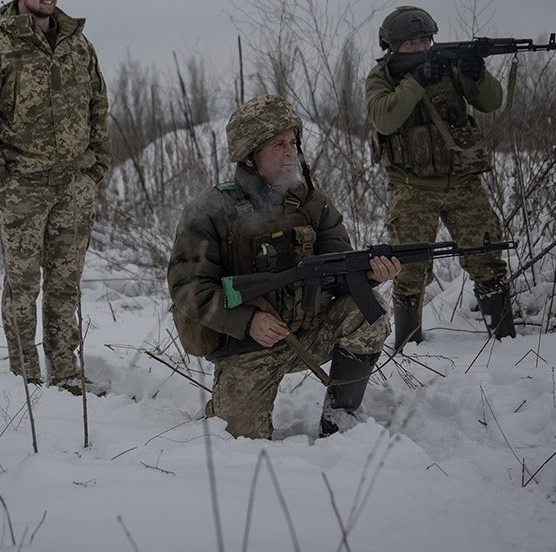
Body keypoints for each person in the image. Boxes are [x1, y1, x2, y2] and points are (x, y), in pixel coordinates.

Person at [167, 95, 398, 440]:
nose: (291, 151)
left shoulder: (313, 204)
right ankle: (225, 402)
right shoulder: (210, 211)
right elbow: (188, 288)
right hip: (246, 346)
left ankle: (339, 419)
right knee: (238, 442)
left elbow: (339, 269)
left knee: (369, 312)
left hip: (305, 334)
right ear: (249, 155)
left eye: (293, 142)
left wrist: (369, 274)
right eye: (278, 144)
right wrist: (248, 323)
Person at [0, 0, 110, 394]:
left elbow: (99, 105)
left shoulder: (78, 45)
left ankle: (66, 370)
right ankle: (24, 375)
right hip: (23, 186)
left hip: (74, 185)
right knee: (22, 285)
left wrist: (97, 164)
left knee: (65, 283)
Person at [365, 5, 517, 349]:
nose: (421, 47)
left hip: (463, 182)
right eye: (411, 43)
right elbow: (384, 119)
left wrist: (474, 73)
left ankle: (506, 344)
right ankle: (408, 346)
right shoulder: (382, 78)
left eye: (426, 40)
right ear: (392, 47)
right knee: (408, 269)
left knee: (486, 257)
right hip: (411, 187)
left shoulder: (448, 66)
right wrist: (418, 80)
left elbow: (492, 102)